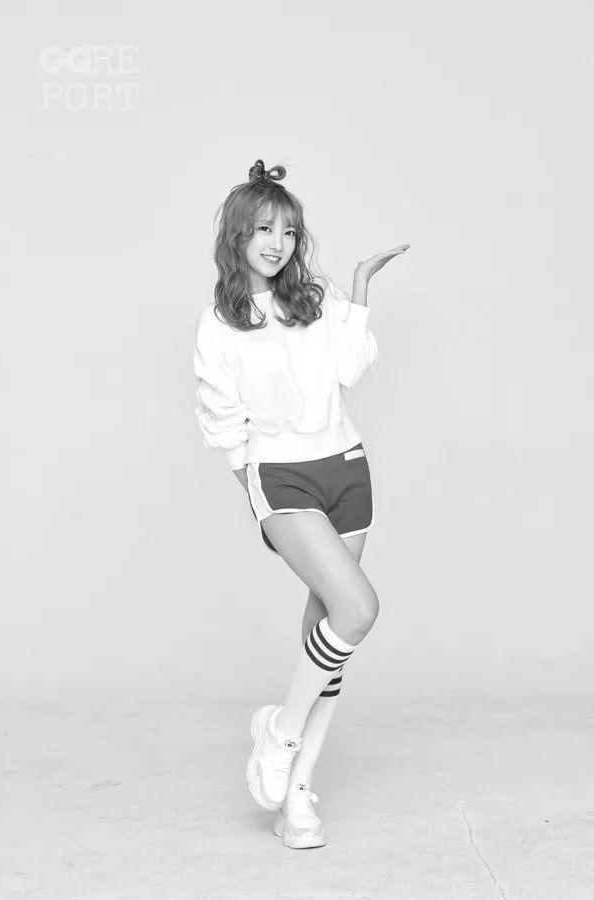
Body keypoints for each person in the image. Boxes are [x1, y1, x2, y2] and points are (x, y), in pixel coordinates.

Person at [192, 158, 409, 850]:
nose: (277, 243)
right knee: (358, 609)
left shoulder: (316, 300)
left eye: (288, 231)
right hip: (280, 477)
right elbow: (223, 421)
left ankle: (298, 797)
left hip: (346, 470)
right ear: (238, 235)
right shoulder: (220, 324)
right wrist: (255, 495)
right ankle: (281, 733)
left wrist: (360, 289)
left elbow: (351, 369)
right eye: (264, 229)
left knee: (331, 631)